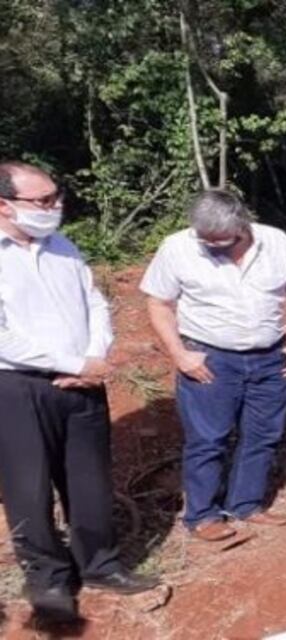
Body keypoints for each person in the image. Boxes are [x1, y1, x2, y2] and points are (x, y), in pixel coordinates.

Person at [0, 161, 158, 623]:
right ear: (4, 205)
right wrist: (74, 363)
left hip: (84, 382)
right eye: (44, 200)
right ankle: (48, 580)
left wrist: (94, 356)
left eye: (57, 196)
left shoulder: (64, 247)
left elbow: (95, 303)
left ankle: (101, 565)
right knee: (27, 488)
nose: (56, 206)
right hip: (17, 389)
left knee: (90, 481)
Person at [141, 190, 286, 543]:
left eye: (220, 239)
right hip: (210, 359)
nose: (211, 245)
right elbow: (158, 303)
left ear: (242, 225)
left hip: (271, 358)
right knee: (208, 439)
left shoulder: (276, 242)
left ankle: (246, 504)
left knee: (263, 436)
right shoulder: (177, 247)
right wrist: (180, 354)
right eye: (205, 239)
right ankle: (203, 515)